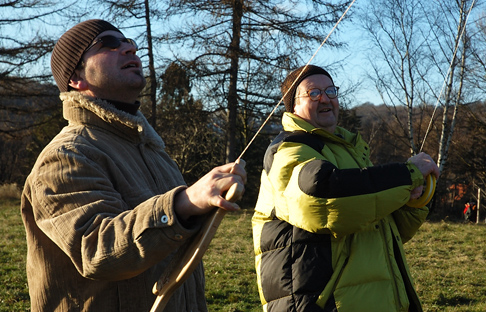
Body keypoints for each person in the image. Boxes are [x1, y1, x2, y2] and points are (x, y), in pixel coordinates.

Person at [21, 19, 247, 312]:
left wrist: (206, 203)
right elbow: (97, 249)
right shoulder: (66, 156)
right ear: (76, 78)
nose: (128, 47)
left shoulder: (153, 151)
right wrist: (186, 202)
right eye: (109, 44)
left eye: (129, 42)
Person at [252, 65, 440, 312]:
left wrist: (413, 200)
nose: (326, 98)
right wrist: (407, 175)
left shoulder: (352, 153)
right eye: (314, 93)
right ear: (293, 107)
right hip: (322, 303)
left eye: (330, 91)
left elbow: (383, 229)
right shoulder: (288, 150)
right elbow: (323, 197)